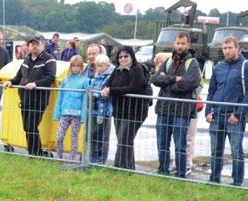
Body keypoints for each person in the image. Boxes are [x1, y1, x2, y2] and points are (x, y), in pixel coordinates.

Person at [151, 32, 201, 178]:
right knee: (162, 143)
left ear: (188, 45)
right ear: (174, 44)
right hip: (164, 109)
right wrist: (175, 79)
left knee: (180, 146)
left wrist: (167, 83)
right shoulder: (167, 62)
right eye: (178, 43)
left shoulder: (192, 63)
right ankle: (163, 171)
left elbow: (189, 83)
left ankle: (180, 174)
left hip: (182, 112)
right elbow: (155, 79)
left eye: (183, 43)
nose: (180, 46)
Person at [4, 36, 56, 156]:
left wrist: (36, 84)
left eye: (37, 44)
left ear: (43, 45)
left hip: (39, 99)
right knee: (27, 127)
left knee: (31, 126)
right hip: (25, 98)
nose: (34, 46)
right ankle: (35, 151)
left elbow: (51, 77)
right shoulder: (26, 59)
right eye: (32, 44)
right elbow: (19, 76)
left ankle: (35, 152)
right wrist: (11, 82)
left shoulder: (49, 59)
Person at [100, 46, 151, 170]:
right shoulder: (117, 70)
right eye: (120, 57)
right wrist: (105, 90)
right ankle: (128, 168)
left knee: (124, 140)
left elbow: (133, 87)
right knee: (125, 141)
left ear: (132, 56)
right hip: (119, 110)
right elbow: (107, 84)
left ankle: (118, 167)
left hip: (135, 111)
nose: (123, 59)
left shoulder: (137, 69)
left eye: (126, 56)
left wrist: (111, 90)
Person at [205, 36, 246, 186]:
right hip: (217, 115)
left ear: (237, 48)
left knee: (236, 151)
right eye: (224, 48)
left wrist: (238, 114)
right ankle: (214, 179)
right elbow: (211, 90)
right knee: (216, 151)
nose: (227, 50)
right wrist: (208, 111)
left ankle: (237, 182)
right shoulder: (218, 67)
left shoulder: (245, 66)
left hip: (234, 117)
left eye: (230, 47)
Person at [53, 55, 88, 160]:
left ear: (81, 67)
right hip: (64, 113)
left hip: (76, 115)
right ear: (70, 66)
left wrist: (83, 116)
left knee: (74, 138)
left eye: (78, 66)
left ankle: (72, 159)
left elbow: (85, 99)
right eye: (73, 66)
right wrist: (57, 113)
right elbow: (60, 97)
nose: (75, 68)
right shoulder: (65, 80)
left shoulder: (84, 81)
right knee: (59, 137)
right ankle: (59, 158)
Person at [88, 53, 114, 164]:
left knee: (102, 137)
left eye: (101, 65)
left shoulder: (110, 77)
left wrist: (94, 93)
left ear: (106, 66)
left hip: (104, 111)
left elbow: (103, 93)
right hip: (94, 110)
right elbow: (91, 90)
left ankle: (101, 159)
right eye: (97, 65)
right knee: (93, 135)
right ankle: (92, 157)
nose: (99, 68)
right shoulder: (95, 77)